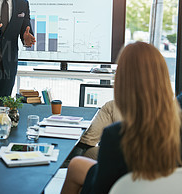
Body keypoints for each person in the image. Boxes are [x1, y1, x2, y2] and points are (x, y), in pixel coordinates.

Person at [61, 41, 182, 194]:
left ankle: (80, 147)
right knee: (77, 165)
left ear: (122, 82)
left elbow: (101, 189)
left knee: (75, 165)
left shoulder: (115, 136)